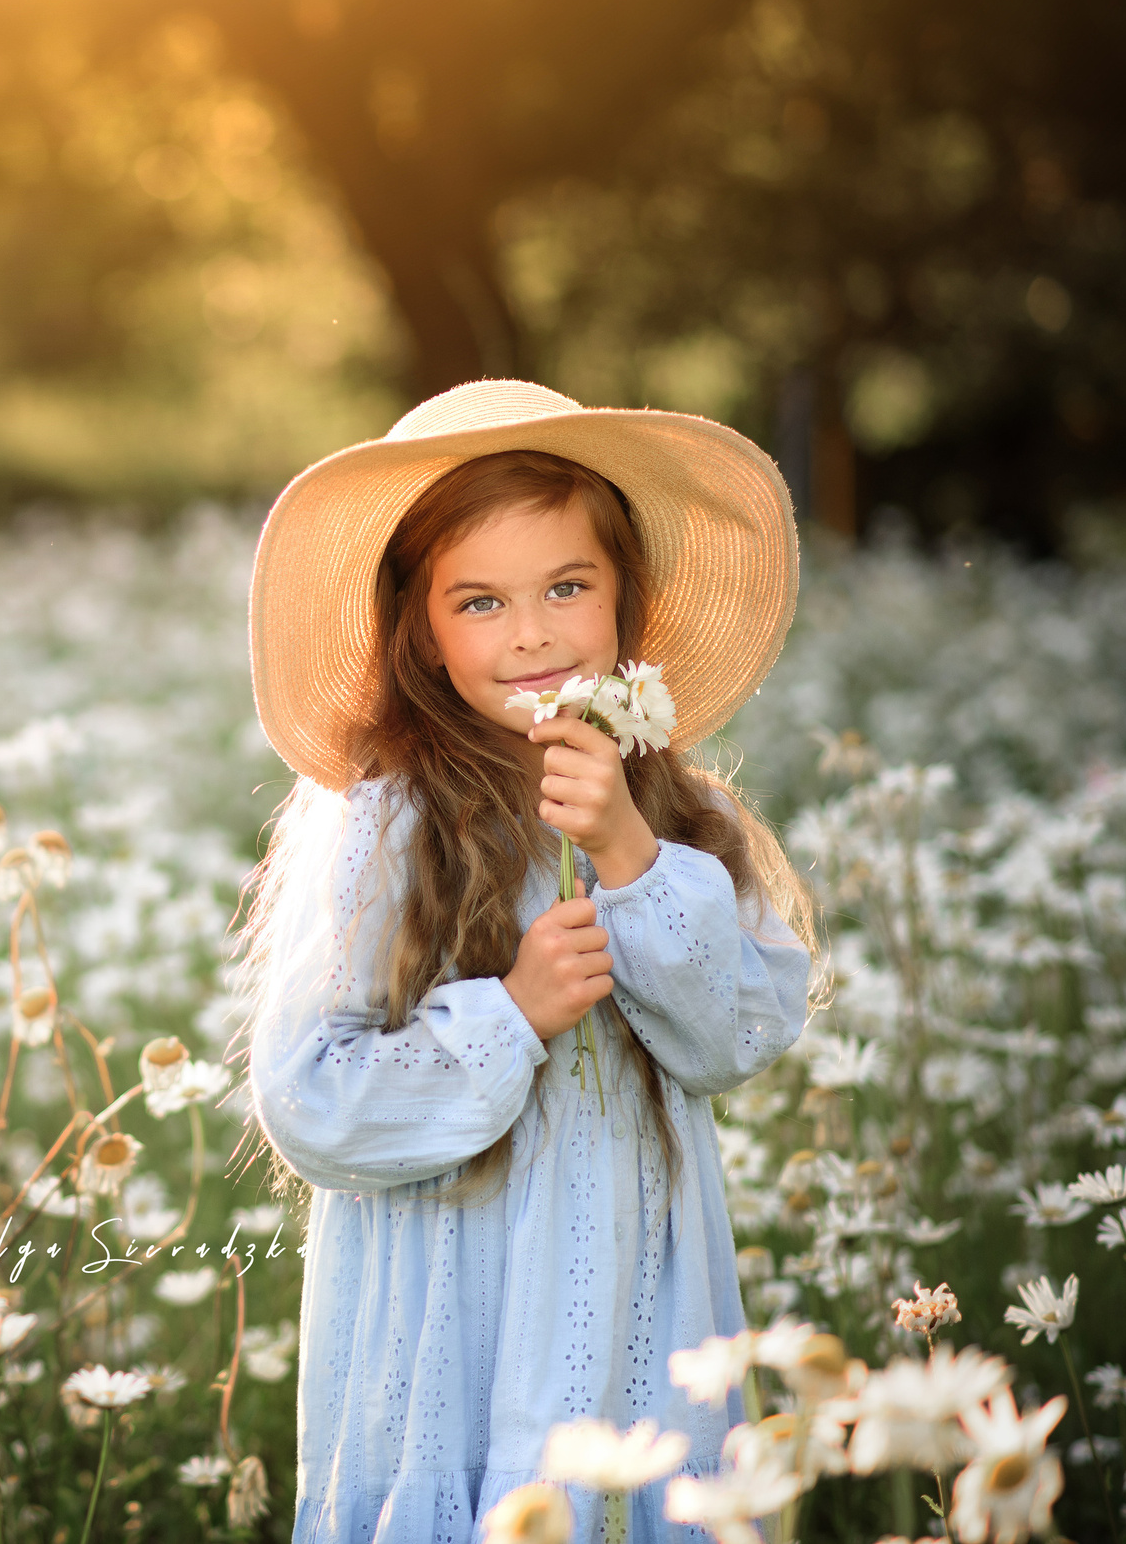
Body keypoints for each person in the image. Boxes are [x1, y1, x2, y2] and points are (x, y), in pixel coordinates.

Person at [234, 379, 822, 1543]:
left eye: (567, 586)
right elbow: (309, 1098)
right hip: (453, 1310)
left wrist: (625, 848)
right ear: (421, 627)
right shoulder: (382, 819)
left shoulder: (675, 810)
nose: (532, 633)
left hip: (636, 1312)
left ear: (624, 598)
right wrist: (510, 1013)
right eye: (479, 600)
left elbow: (734, 1037)